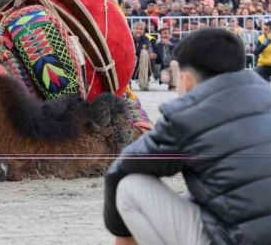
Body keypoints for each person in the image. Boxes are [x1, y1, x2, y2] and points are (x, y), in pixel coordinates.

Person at [104, 28, 271, 245]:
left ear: (187, 80)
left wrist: (122, 234)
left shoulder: (187, 115)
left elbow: (120, 171)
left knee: (130, 185)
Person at [151, 26, 179, 90]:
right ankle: (171, 84)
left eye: (165, 33)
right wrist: (154, 57)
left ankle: (176, 86)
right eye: (162, 34)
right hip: (166, 68)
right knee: (164, 79)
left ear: (170, 34)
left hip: (177, 66)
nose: (163, 35)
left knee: (173, 63)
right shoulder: (158, 45)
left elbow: (179, 51)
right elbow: (158, 61)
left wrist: (170, 44)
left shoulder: (176, 41)